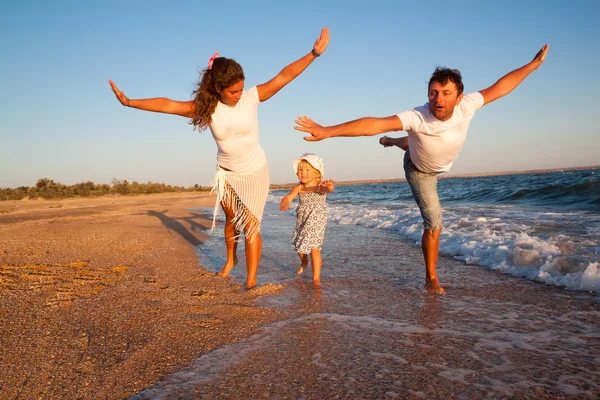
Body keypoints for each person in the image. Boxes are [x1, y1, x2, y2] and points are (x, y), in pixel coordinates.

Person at [293, 44, 549, 294]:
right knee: (434, 223)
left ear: (459, 97)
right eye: (433, 93)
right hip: (419, 170)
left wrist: (533, 65)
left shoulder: (468, 105)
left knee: (416, 141)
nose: (439, 99)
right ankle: (431, 277)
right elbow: (373, 124)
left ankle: (395, 142)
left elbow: (501, 87)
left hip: (434, 157)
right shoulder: (417, 116)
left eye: (446, 93)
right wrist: (329, 131)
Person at [109, 27, 331, 289]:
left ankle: (250, 281)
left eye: (241, 89)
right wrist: (130, 102)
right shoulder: (207, 109)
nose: (239, 95)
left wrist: (313, 54)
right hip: (227, 173)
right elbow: (168, 104)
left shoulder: (251, 98)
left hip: (255, 171)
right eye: (233, 91)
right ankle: (231, 260)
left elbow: (283, 77)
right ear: (217, 87)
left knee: (250, 225)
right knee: (230, 221)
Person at [280, 153, 335, 285]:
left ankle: (316, 278)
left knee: (314, 248)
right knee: (299, 246)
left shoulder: (319, 186)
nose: (303, 173)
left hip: (317, 221)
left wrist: (328, 185)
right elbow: (288, 197)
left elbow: (329, 189)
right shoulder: (299, 187)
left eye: (307, 170)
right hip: (302, 220)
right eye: (300, 170)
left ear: (317, 173)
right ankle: (304, 262)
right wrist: (284, 203)